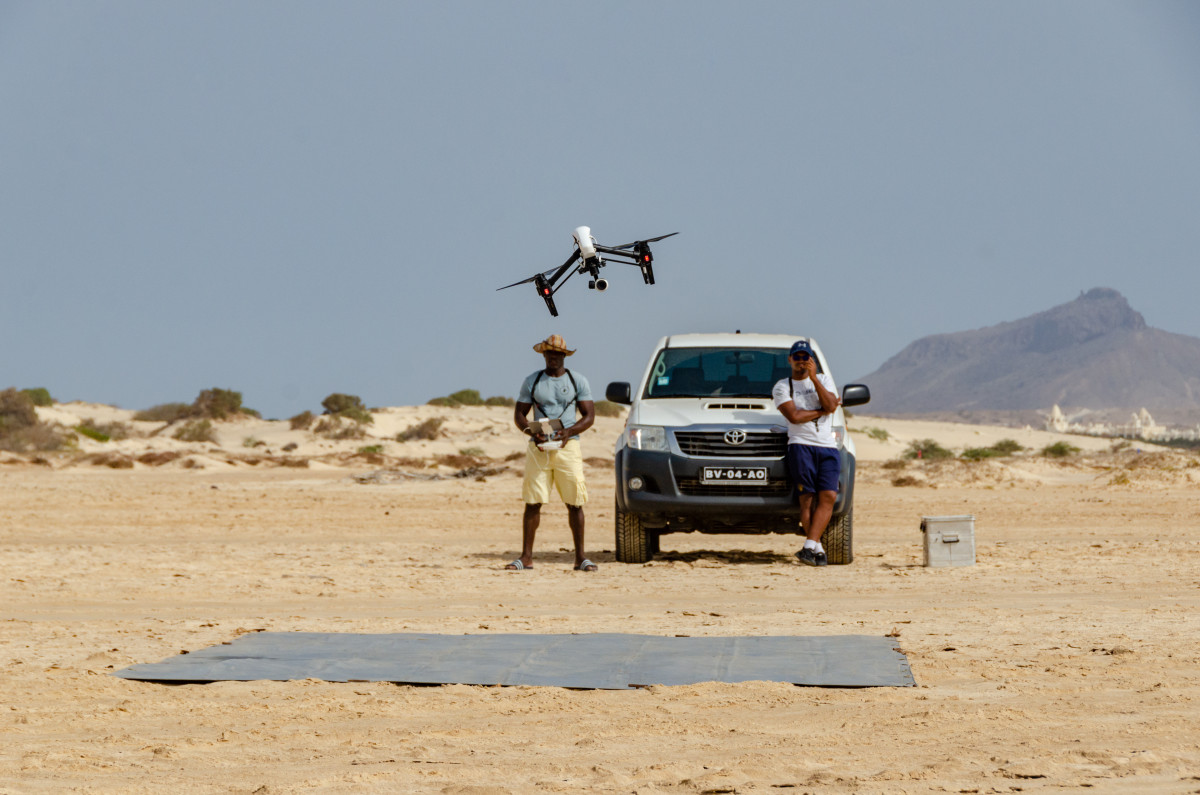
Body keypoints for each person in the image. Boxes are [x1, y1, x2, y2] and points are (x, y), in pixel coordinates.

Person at [506, 334, 598, 572]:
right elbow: (519, 414)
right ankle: (526, 557)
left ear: (564, 356)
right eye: (549, 353)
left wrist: (569, 432)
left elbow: (589, 416)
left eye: (557, 354)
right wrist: (531, 432)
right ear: (543, 355)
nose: (553, 357)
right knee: (533, 501)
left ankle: (580, 558)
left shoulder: (578, 381)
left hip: (569, 445)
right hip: (539, 446)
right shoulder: (533, 381)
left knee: (575, 502)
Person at [772, 340, 841, 566]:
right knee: (807, 500)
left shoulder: (823, 380)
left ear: (812, 360)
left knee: (829, 495)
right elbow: (794, 417)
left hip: (827, 446)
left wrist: (814, 379)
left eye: (806, 357)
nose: (802, 361)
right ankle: (817, 549)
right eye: (797, 357)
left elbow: (832, 405)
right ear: (790, 360)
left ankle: (809, 546)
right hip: (801, 445)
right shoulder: (783, 386)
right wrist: (821, 411)